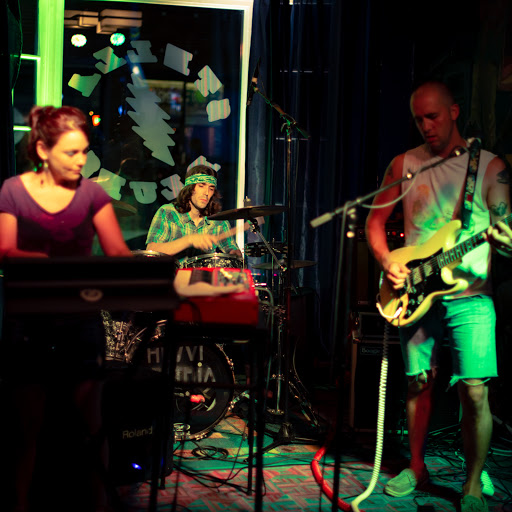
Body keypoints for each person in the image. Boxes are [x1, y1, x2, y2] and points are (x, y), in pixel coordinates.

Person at [365, 80, 512, 512]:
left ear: (454, 112)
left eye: (432, 116)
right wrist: (387, 261)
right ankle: (416, 467)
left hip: (472, 295)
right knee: (417, 383)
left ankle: (472, 482)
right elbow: (375, 222)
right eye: (418, 119)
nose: (426, 125)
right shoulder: (405, 164)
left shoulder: (489, 167)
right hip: (414, 290)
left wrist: (504, 239)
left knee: (475, 391)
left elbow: (505, 229)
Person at [0, 105, 133, 512]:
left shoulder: (92, 194)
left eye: (84, 152)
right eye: (71, 152)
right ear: (43, 150)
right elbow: (5, 250)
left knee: (92, 426)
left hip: (81, 321)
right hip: (29, 322)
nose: (81, 160)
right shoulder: (12, 190)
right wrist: (43, 262)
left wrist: (150, 276)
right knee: (26, 429)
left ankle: (98, 505)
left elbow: (117, 252)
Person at [146, 164, 242, 264]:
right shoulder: (168, 213)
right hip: (172, 273)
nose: (206, 193)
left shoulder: (218, 221)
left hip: (203, 273)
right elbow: (151, 251)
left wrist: (235, 254)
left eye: (211, 188)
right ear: (190, 188)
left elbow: (232, 251)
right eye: (201, 186)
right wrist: (189, 240)